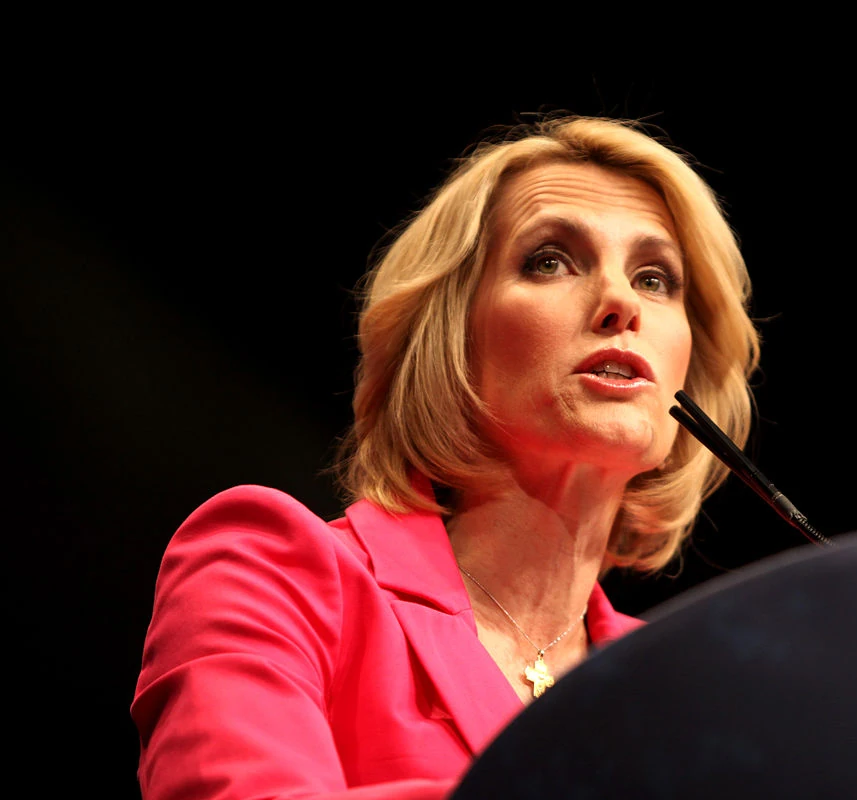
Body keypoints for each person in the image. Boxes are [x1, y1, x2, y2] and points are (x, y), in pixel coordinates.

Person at [131, 114, 761, 799]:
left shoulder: (685, 692)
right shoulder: (270, 572)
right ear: (450, 338)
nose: (619, 301)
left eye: (655, 278)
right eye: (549, 260)